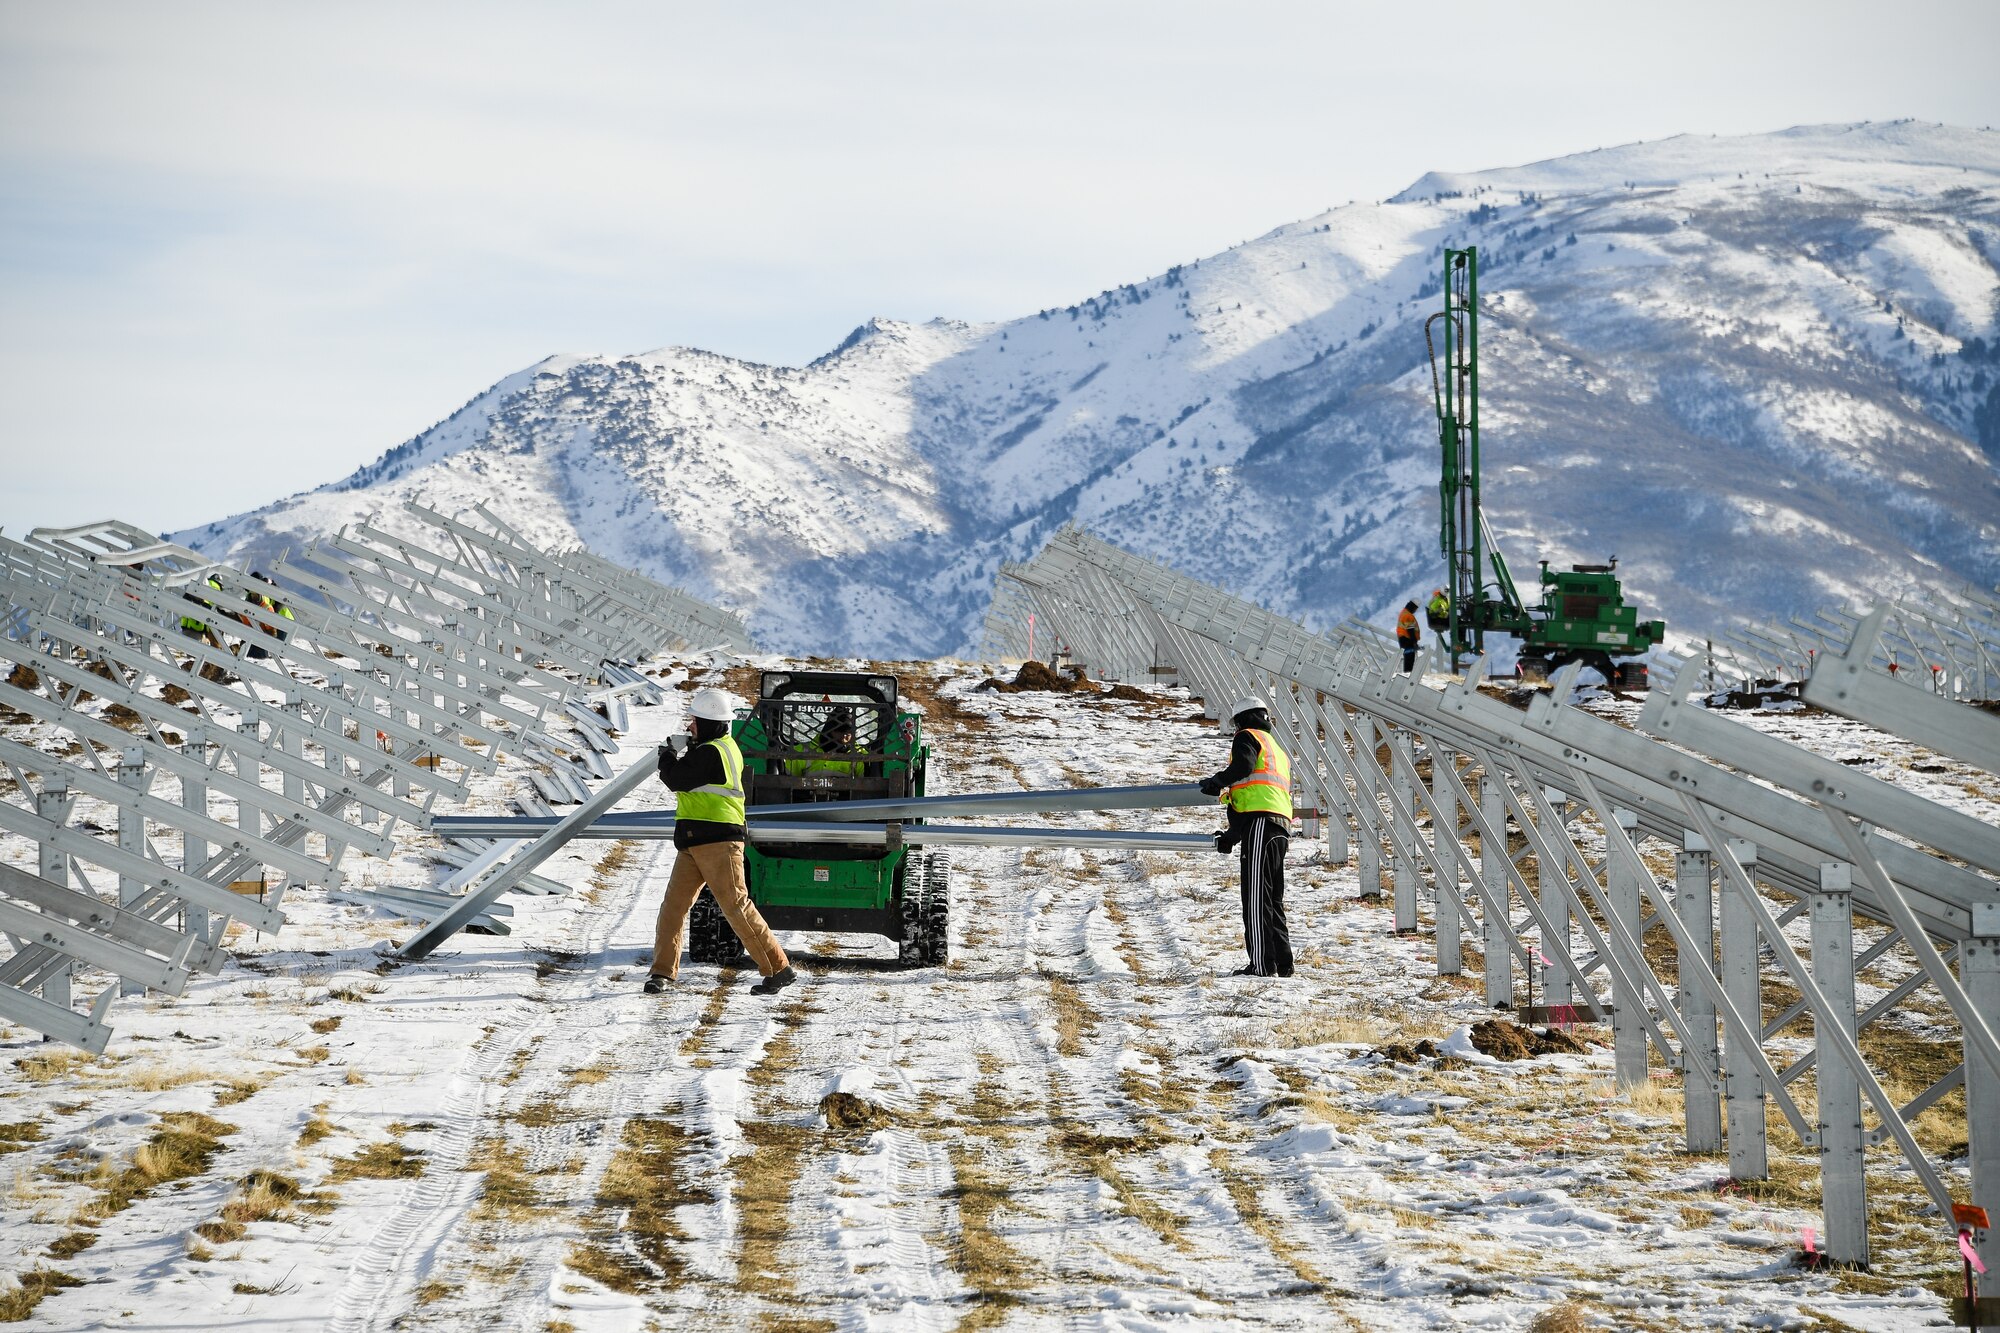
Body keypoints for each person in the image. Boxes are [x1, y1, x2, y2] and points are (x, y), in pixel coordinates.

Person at [649, 687, 796, 995]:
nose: (690, 726)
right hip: (695, 841)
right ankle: (662, 972)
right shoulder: (720, 747)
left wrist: (666, 756)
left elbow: (676, 778)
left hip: (718, 842)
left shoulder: (713, 751)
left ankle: (778, 968)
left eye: (694, 721)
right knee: (673, 908)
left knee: (736, 907)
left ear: (709, 723)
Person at [1197, 696, 1294, 977]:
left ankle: (1262, 966)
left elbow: (1243, 768)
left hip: (1261, 823)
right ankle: (1282, 964)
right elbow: (1255, 791)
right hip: (1278, 826)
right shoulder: (1276, 748)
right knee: (1272, 898)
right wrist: (1233, 834)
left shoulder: (1246, 736)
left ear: (1240, 720)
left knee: (1254, 896)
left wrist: (1217, 781)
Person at [784, 707, 864, 780]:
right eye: (839, 731)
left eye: (848, 733)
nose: (844, 737)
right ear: (829, 730)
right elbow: (788, 784)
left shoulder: (860, 755)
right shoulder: (800, 752)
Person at [241, 572, 295, 661]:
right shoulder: (256, 591)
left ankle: (281, 663)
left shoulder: (268, 589)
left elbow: (280, 602)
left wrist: (272, 613)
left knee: (281, 648)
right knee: (274, 644)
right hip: (275, 619)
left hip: (284, 618)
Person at [1396, 600, 1422, 674]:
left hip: (1403, 639)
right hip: (1408, 640)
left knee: (1408, 657)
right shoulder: (1408, 616)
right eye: (1415, 608)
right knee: (1409, 659)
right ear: (1413, 607)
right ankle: (1408, 674)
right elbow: (1410, 630)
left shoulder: (1403, 612)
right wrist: (1414, 642)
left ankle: (1407, 673)